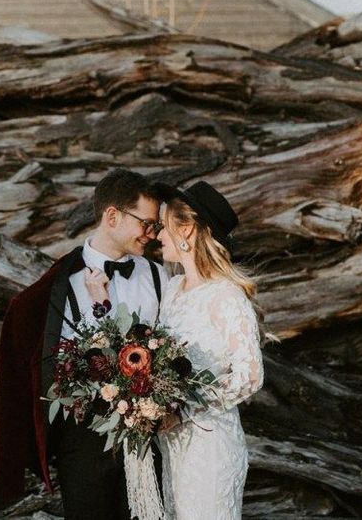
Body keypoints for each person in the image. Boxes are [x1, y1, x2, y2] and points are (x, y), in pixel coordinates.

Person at [0, 168, 168, 520]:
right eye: (146, 223)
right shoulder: (60, 284)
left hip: (148, 437)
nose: (152, 234)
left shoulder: (158, 277)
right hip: (83, 440)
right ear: (113, 216)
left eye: (155, 226)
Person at [154, 180, 263, 520]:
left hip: (211, 442)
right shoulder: (171, 290)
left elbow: (251, 376)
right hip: (173, 445)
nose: (158, 236)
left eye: (163, 227)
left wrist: (184, 408)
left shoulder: (225, 295)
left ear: (185, 229)